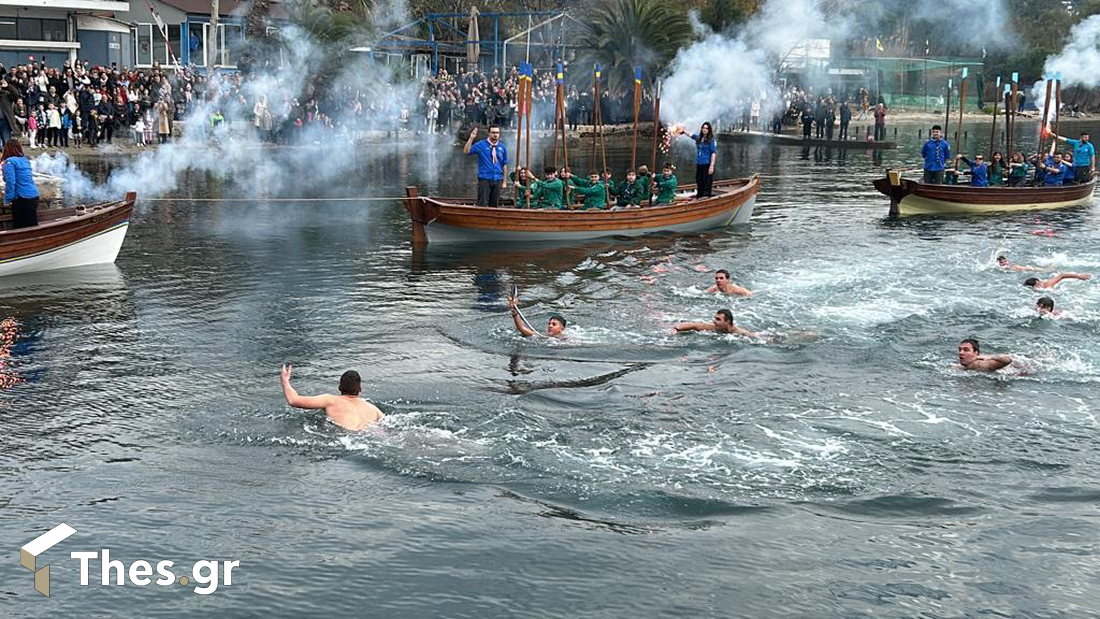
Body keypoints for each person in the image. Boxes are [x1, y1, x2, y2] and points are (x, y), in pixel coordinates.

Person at [279, 365, 384, 431]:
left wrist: (285, 381)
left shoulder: (330, 400)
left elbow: (293, 400)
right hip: (368, 436)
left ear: (339, 387)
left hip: (345, 437)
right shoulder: (373, 409)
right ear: (360, 388)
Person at [464, 125, 509, 207]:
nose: (495, 135)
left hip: (497, 179)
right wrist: (471, 138)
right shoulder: (481, 145)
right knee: (482, 203)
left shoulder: (502, 148)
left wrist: (504, 182)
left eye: (497, 133)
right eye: (493, 132)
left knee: (494, 204)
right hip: (485, 179)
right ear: (488, 133)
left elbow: (504, 165)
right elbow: (467, 151)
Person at [2, 140, 39, 229]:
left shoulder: (9, 162)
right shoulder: (25, 160)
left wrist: (7, 199)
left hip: (22, 197)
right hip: (34, 195)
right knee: (32, 224)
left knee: (21, 226)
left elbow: (11, 182)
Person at [672, 308, 760, 338]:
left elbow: (755, 336)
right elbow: (694, 325)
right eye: (715, 318)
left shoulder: (739, 333)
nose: (714, 321)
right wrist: (676, 329)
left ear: (727, 321)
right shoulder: (713, 327)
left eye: (718, 319)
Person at [691, 122, 717, 199]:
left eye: (706, 128)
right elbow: (691, 135)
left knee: (706, 181)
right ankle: (699, 195)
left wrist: (712, 166)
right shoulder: (699, 138)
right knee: (699, 180)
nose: (704, 129)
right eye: (703, 128)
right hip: (699, 164)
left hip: (707, 164)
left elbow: (713, 153)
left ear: (709, 130)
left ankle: (706, 197)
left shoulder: (711, 140)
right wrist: (682, 131)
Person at [1023, 272, 1092, 289]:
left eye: (1037, 285)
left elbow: (1062, 275)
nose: (1037, 287)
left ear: (1038, 282)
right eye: (1035, 286)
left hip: (1066, 284)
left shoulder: (1048, 284)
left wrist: (1079, 277)